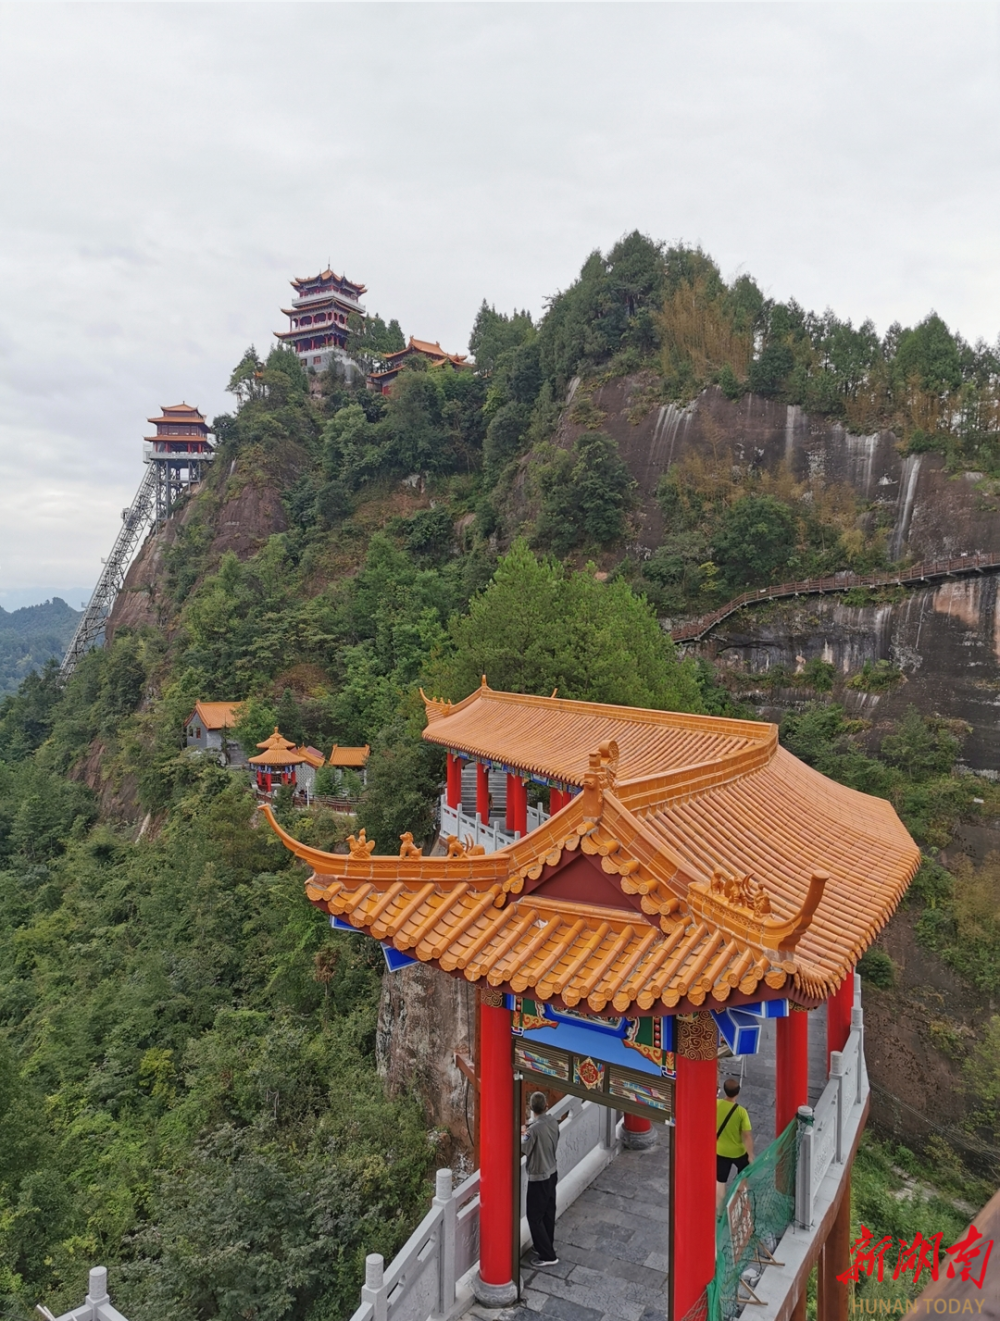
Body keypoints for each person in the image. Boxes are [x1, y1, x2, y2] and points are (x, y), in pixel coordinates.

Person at [522, 1090, 560, 1266]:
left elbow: (524, 1147)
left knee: (534, 1216)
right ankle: (546, 1244)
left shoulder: (533, 1130)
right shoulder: (552, 1121)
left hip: (539, 1177)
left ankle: (547, 1255)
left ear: (531, 1108)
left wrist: (523, 1132)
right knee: (548, 1212)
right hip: (552, 1172)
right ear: (546, 1106)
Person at [716, 1076, 754, 1211]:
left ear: (725, 1091)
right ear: (738, 1093)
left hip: (720, 1151)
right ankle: (740, 1206)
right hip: (739, 1152)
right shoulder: (741, 1112)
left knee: (720, 1182)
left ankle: (720, 1212)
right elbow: (747, 1135)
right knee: (743, 1178)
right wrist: (750, 1155)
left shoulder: (715, 1104)